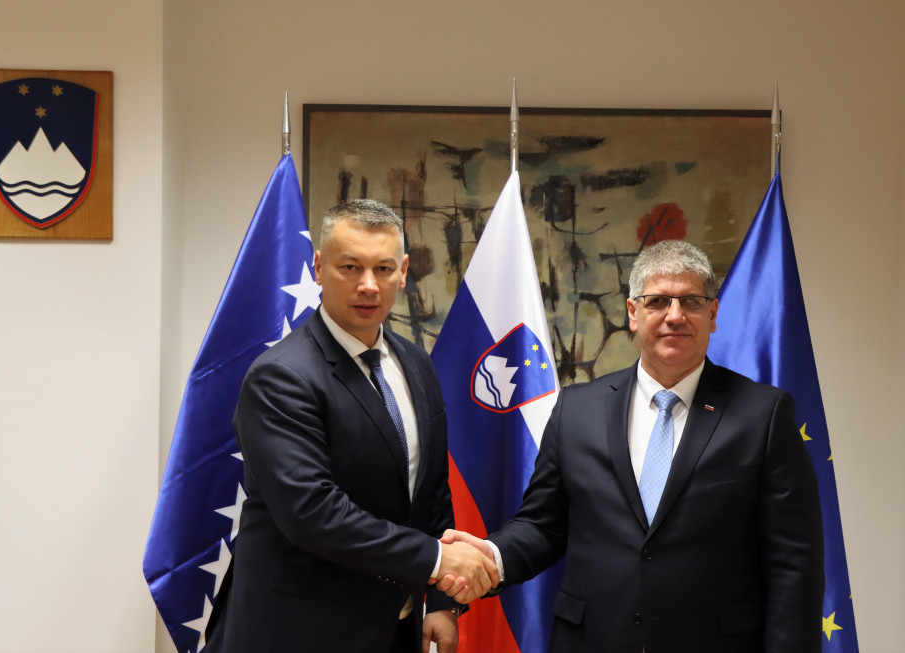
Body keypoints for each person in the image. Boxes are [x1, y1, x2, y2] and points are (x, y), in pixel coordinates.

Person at [439, 239, 824, 653]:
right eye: (657, 301)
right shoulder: (576, 409)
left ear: (712, 315)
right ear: (632, 313)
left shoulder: (763, 415)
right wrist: (492, 558)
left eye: (691, 302)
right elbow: (544, 525)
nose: (674, 316)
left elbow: (794, 564)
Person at [205, 199, 498, 653]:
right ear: (319, 268)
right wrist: (437, 561)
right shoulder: (281, 376)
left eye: (383, 269)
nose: (368, 285)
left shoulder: (417, 365)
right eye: (350, 267)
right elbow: (312, 513)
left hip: (394, 629)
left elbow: (430, 492)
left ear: (403, 272)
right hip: (297, 633)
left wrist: (439, 600)